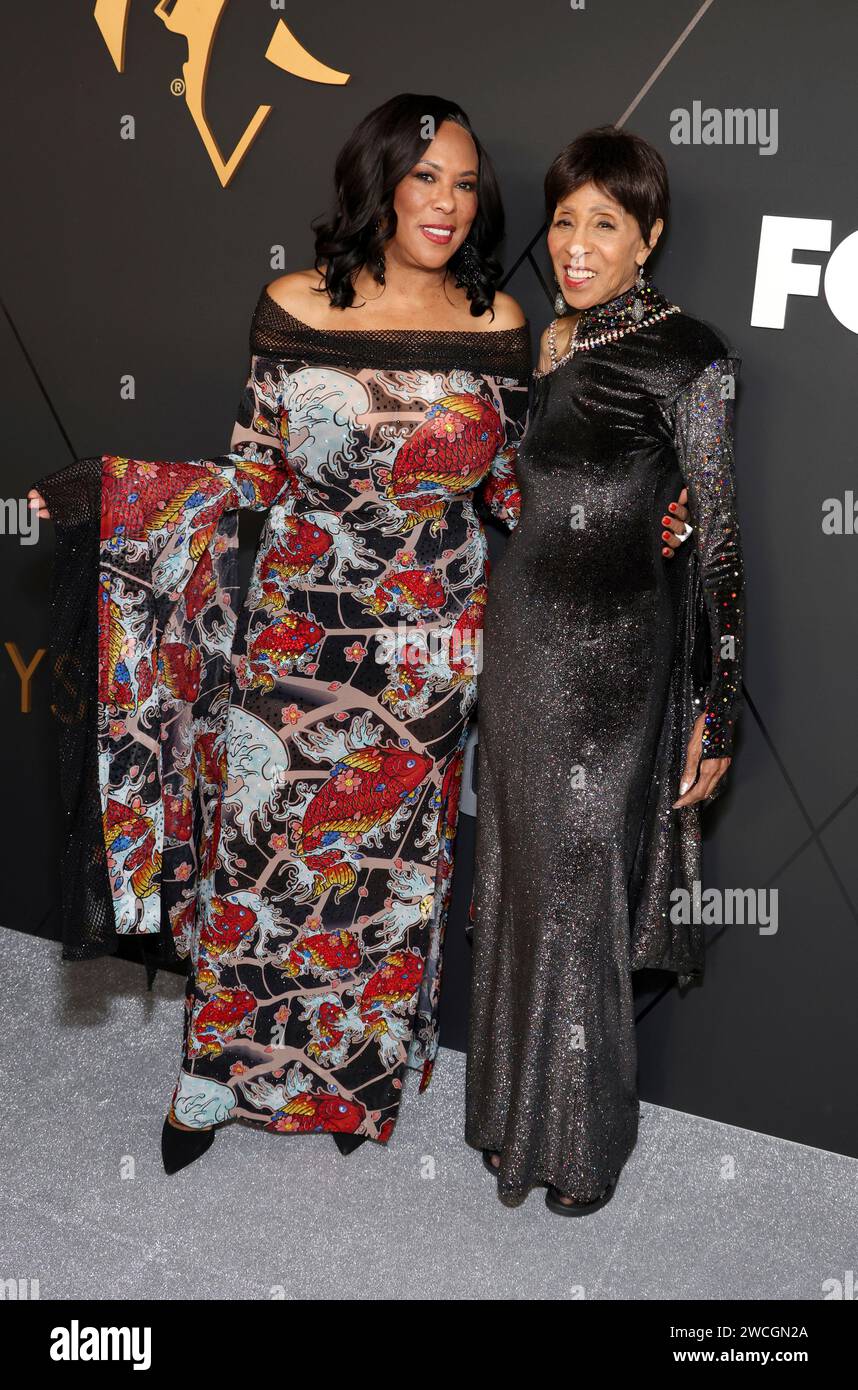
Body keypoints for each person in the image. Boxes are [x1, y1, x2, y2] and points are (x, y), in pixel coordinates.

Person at [29, 99, 691, 1176]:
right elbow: (249, 474)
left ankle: (350, 1077)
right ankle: (214, 1077)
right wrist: (112, 497)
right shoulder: (296, 302)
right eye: (427, 177)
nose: (447, 202)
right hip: (297, 632)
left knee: (386, 880)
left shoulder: (499, 324)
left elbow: (524, 493)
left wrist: (650, 515)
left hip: (433, 645)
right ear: (382, 180)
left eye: (467, 184)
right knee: (260, 861)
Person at [465, 125, 744, 1216]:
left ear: (650, 238)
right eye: (566, 220)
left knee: (583, 887)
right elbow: (511, 495)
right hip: (524, 637)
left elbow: (719, 540)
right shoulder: (552, 342)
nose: (576, 246)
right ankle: (510, 1118)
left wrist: (718, 711)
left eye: (605, 225)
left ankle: (578, 1145)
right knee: (525, 884)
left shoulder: (692, 355)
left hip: (617, 655)